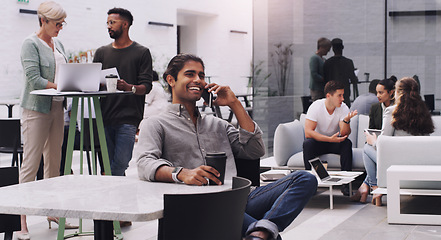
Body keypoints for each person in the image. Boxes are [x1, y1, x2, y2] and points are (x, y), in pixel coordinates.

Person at [136, 54, 317, 240]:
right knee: (272, 237)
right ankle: (263, 232)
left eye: (201, 75)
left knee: (305, 179)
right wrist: (182, 173)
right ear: (171, 80)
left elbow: (255, 150)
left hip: (240, 198)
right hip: (198, 205)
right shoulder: (156, 124)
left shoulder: (218, 124)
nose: (197, 80)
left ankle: (261, 231)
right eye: (190, 74)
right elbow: (144, 163)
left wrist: (234, 104)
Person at [18, 1, 77, 239]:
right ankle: (20, 221)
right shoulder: (29, 44)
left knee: (54, 163)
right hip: (36, 109)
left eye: (63, 24)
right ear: (43, 20)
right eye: (57, 24)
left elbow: (63, 72)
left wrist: (73, 82)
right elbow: (34, 79)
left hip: (57, 108)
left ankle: (53, 213)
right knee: (30, 165)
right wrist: (64, 85)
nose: (60, 28)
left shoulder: (58, 43)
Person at [352, 77, 434, 206]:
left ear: (398, 93)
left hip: (397, 165)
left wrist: (373, 141)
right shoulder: (424, 112)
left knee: (367, 148)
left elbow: (384, 144)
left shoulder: (392, 111)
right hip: (419, 163)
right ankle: (370, 188)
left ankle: (375, 189)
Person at [93, 7, 153, 177]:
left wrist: (129, 87)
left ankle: (113, 197)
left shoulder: (141, 52)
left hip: (128, 118)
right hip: (104, 116)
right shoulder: (101, 52)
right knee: (107, 165)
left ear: (125, 24)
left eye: (112, 22)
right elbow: (92, 82)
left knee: (120, 163)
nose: (108, 26)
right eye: (107, 23)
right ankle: (117, 201)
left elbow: (146, 86)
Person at [302, 81, 358, 196]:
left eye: (343, 95)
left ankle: (346, 186)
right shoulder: (316, 106)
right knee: (307, 144)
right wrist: (328, 139)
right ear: (329, 96)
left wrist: (346, 121)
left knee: (346, 143)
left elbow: (344, 133)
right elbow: (308, 132)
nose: (342, 98)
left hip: (334, 141)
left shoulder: (343, 108)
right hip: (319, 141)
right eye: (339, 95)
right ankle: (311, 184)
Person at [323, 38, 359, 108]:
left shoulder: (327, 63)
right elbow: (353, 79)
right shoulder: (348, 62)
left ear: (333, 49)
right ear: (342, 47)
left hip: (331, 94)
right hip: (344, 94)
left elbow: (325, 79)